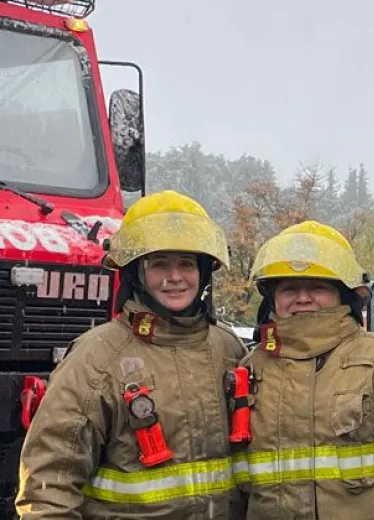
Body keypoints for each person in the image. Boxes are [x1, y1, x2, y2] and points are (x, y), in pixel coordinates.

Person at [15, 190, 249, 519]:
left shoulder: (228, 349)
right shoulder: (96, 357)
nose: (175, 277)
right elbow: (49, 481)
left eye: (186, 264)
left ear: (203, 273)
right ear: (136, 273)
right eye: (159, 264)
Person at [234, 220, 374, 519]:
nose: (302, 298)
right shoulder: (252, 370)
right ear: (272, 296)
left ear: (343, 294)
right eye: (289, 288)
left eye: (317, 287)